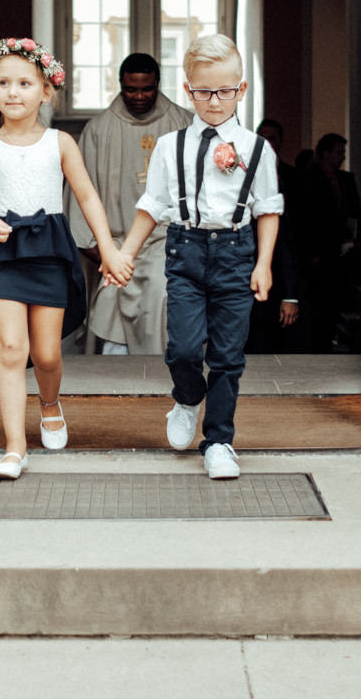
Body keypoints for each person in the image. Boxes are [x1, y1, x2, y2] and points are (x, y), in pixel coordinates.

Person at [0, 37, 131, 480]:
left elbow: (87, 196)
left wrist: (108, 250)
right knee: (12, 350)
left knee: (48, 354)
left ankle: (50, 403)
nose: (13, 92)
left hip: (50, 252)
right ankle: (14, 448)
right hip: (2, 256)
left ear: (45, 91)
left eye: (24, 83)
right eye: (3, 83)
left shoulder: (60, 143)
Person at [119, 34, 283, 479]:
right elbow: (151, 207)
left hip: (236, 253)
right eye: (205, 91)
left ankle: (219, 442)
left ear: (241, 89)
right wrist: (125, 255)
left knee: (229, 356)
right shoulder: (169, 147)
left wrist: (263, 264)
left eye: (225, 90)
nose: (215, 101)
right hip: (186, 251)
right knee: (185, 348)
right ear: (188, 89)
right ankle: (188, 396)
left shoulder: (256, 150)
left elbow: (268, 210)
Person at [67, 53, 193, 355]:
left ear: (158, 85)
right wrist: (107, 256)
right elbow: (80, 199)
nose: (139, 96)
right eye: (131, 89)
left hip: (168, 247)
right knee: (111, 325)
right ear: (121, 85)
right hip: (115, 249)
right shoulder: (99, 129)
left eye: (146, 89)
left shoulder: (184, 125)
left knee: (164, 304)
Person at [298, 132, 361, 352]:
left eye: (343, 153)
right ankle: (317, 346)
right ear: (325, 154)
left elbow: (355, 211)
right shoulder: (308, 179)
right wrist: (311, 254)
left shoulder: (346, 179)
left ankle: (333, 341)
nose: (342, 157)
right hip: (318, 252)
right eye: (338, 152)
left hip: (342, 251)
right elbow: (305, 220)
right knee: (318, 303)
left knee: (338, 300)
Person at [247, 118, 303, 352]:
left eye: (272, 138)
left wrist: (291, 295)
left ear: (280, 142)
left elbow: (289, 240)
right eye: (263, 137)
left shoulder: (292, 178)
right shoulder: (244, 171)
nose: (267, 143)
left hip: (276, 271)